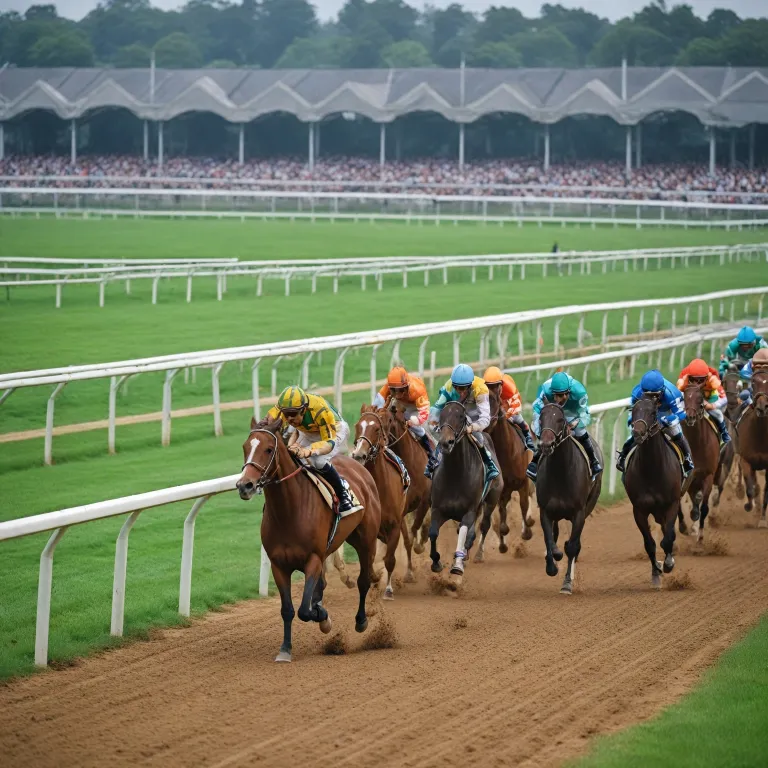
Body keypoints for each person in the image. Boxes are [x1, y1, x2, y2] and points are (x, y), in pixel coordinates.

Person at [265, 385, 356, 513]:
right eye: (286, 414)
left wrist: (308, 451)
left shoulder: (320, 410)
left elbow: (328, 443)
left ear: (303, 410)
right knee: (293, 458)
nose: (289, 418)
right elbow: (270, 418)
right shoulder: (285, 408)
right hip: (309, 431)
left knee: (318, 461)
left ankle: (343, 493)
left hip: (334, 430)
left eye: (293, 414)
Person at [427, 363, 500, 481]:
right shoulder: (448, 387)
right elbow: (436, 410)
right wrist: (435, 427)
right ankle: (433, 461)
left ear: (470, 385)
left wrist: (472, 428)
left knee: (480, 438)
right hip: (455, 414)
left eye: (464, 388)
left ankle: (489, 464)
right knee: (442, 434)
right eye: (457, 387)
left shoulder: (480, 389)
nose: (460, 391)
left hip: (474, 416)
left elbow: (485, 418)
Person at [615, 369, 694, 476]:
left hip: (665, 412)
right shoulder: (637, 393)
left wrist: (669, 420)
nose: (651, 398)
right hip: (646, 413)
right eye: (647, 395)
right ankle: (623, 457)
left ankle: (687, 458)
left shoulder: (672, 393)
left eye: (654, 395)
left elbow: (681, 414)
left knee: (676, 432)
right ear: (643, 391)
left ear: (662, 391)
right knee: (633, 435)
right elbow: (634, 411)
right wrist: (632, 423)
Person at [526, 371, 601, 481]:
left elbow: (585, 415)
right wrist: (542, 431)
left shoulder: (579, 392)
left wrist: (576, 423)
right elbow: (537, 409)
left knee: (580, 431)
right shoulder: (546, 389)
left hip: (571, 411)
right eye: (556, 395)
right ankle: (535, 462)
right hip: (550, 408)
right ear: (552, 392)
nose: (558, 399)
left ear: (568, 393)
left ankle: (593, 461)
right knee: (544, 433)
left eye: (561, 396)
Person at [373, 366, 438, 474]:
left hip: (415, 408)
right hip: (399, 404)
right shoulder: (388, 387)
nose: (397, 394)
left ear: (407, 386)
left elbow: (423, 415)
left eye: (401, 390)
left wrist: (413, 422)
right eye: (393, 390)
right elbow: (376, 405)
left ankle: (432, 453)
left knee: (421, 429)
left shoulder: (417, 389)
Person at [676, 358, 731, 444]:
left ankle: (724, 433)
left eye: (701, 380)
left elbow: (724, 398)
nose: (697, 383)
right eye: (693, 380)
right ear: (689, 377)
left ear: (706, 378)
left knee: (718, 414)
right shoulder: (683, 381)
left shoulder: (713, 380)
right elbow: (678, 397)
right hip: (690, 401)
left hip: (708, 400)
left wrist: (712, 406)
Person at [482, 366, 534, 450]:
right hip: (493, 406)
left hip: (508, 405)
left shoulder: (509, 389)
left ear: (500, 385)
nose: (490, 389)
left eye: (494, 386)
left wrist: (506, 415)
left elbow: (515, 406)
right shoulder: (482, 390)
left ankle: (529, 442)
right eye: (488, 386)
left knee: (518, 419)